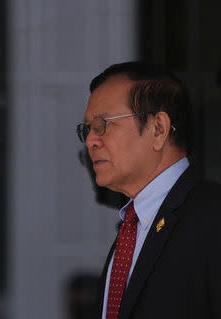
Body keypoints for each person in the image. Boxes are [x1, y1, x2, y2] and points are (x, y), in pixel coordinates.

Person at [76, 61, 221, 319]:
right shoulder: (132, 227)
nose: (90, 140)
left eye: (103, 124)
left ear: (158, 129)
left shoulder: (212, 218)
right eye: (87, 129)